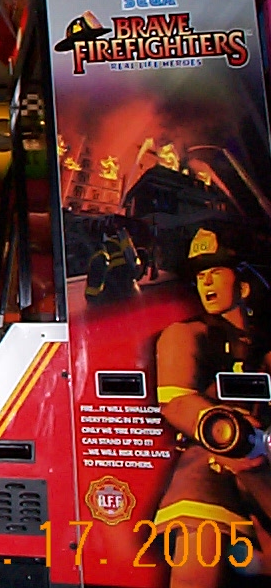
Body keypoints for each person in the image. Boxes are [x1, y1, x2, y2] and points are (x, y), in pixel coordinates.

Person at [154, 227, 271, 587]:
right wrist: (222, 428)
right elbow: (176, 401)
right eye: (201, 275)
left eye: (215, 272)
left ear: (243, 287)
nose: (205, 282)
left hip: (261, 476)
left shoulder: (263, 344)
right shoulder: (186, 335)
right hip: (209, 472)